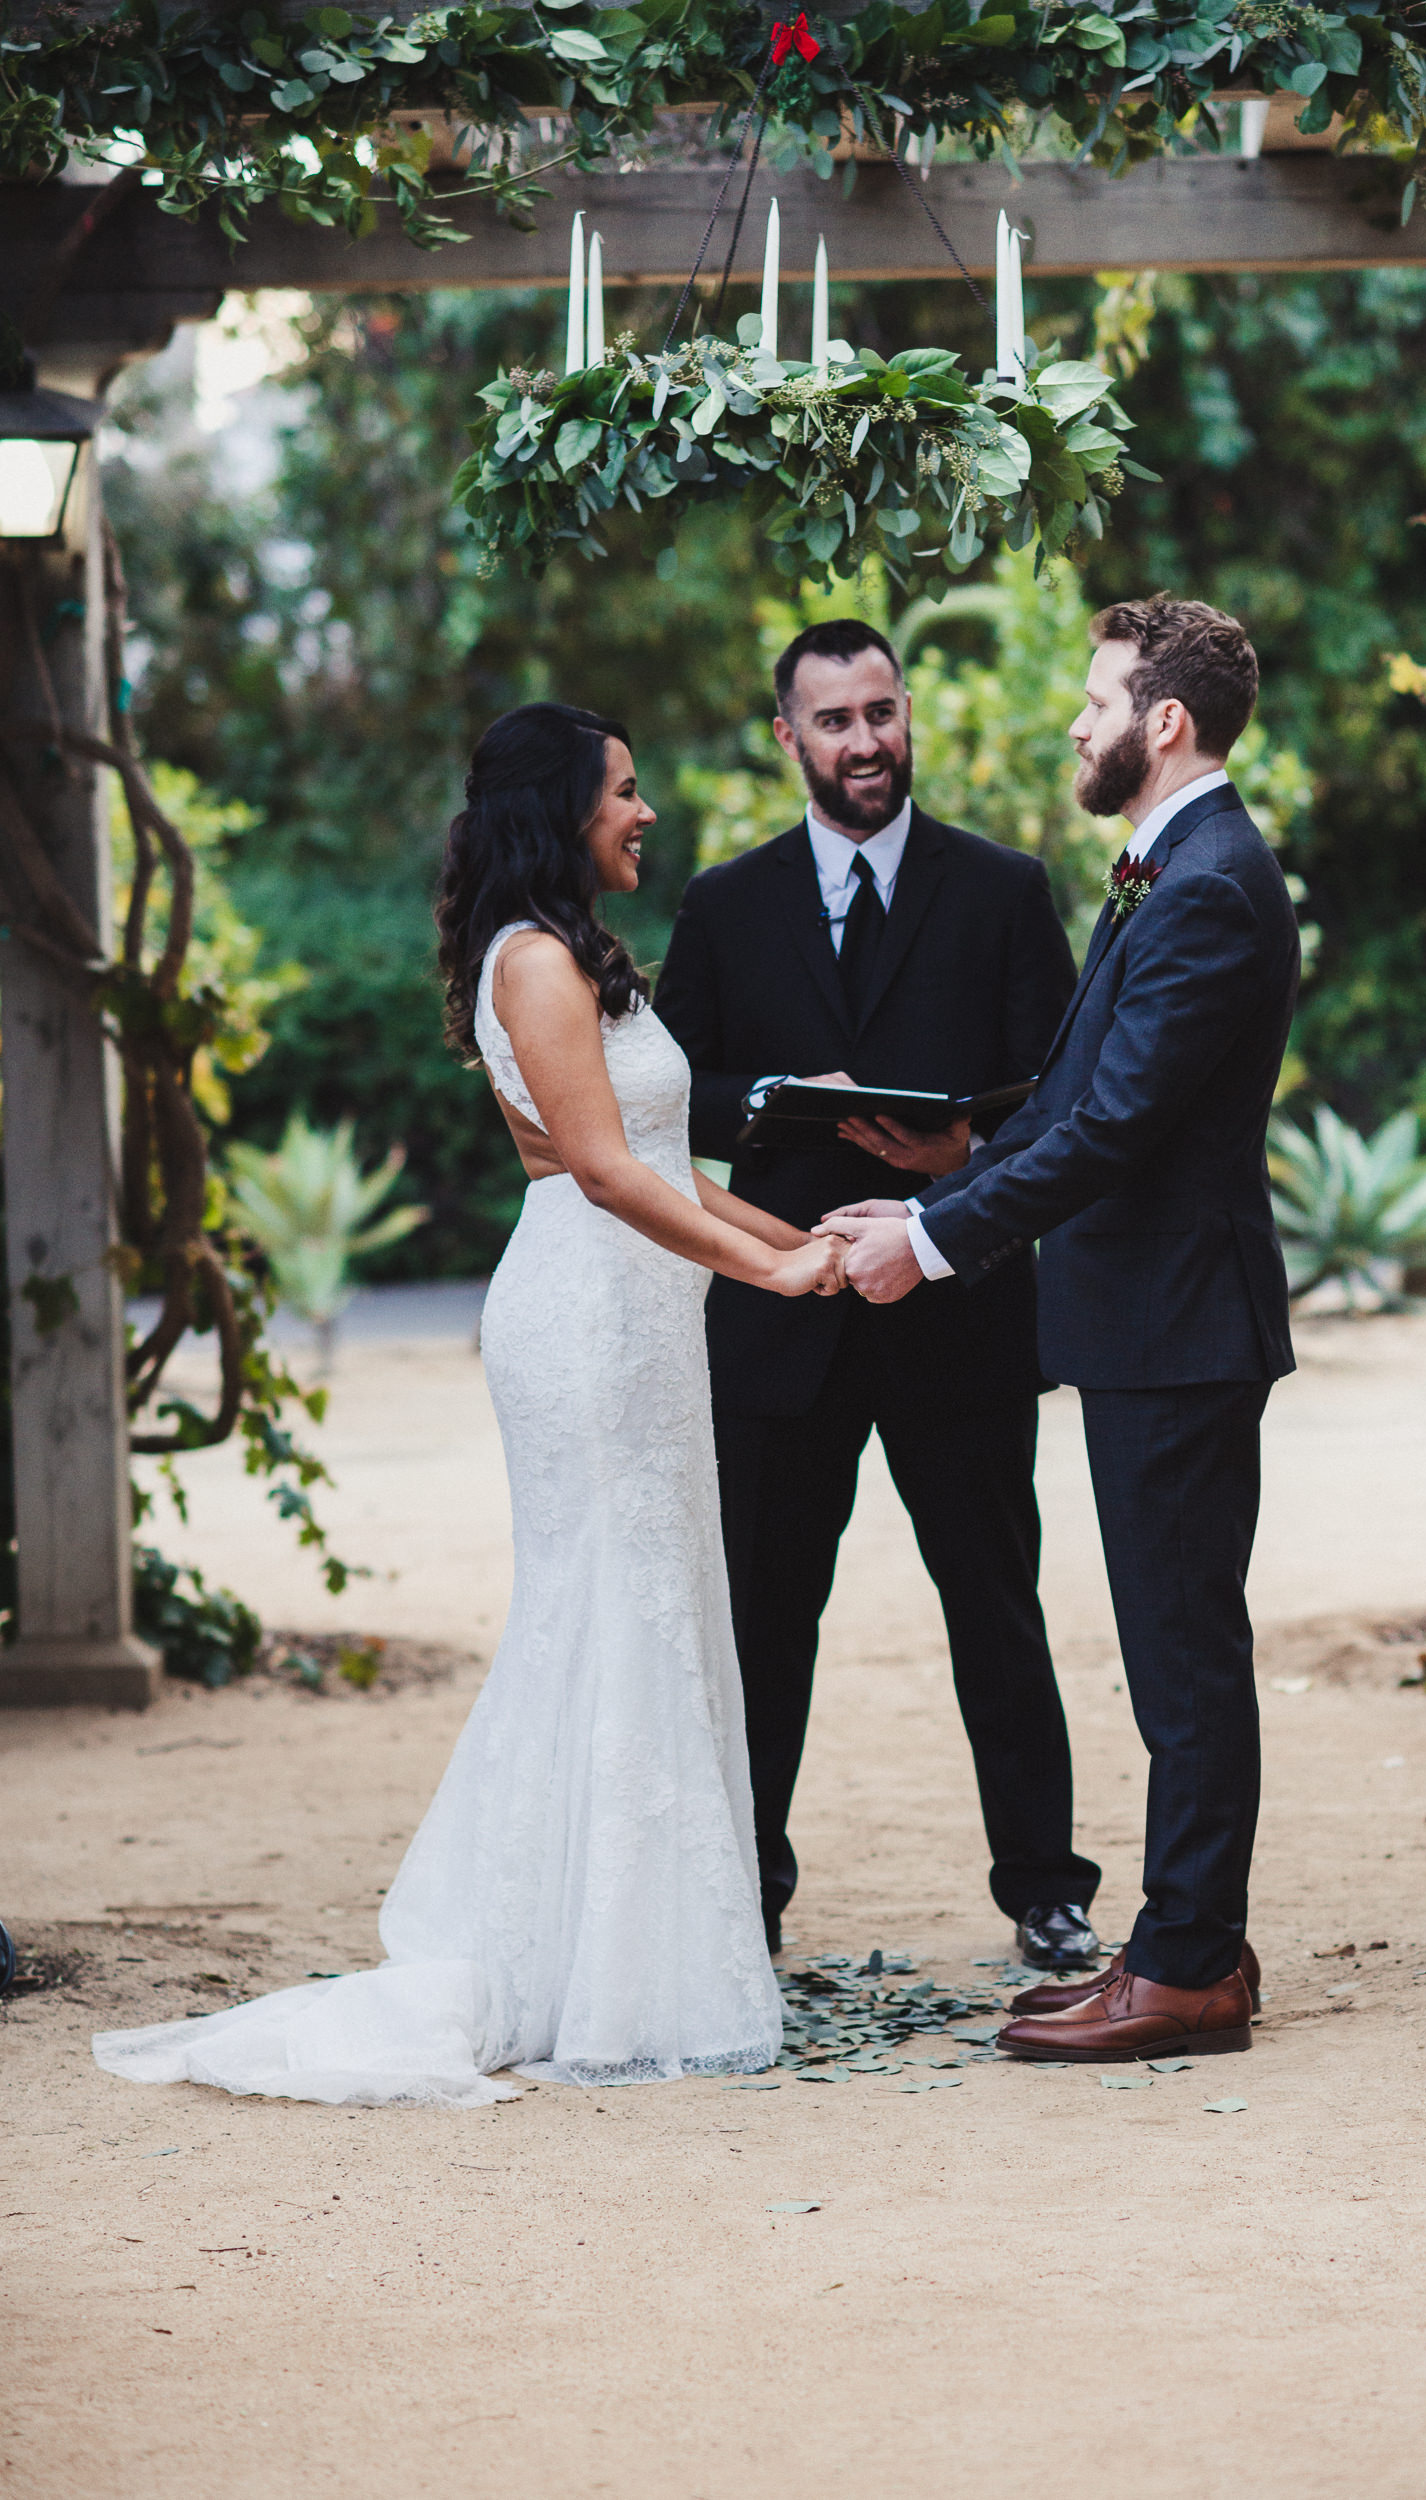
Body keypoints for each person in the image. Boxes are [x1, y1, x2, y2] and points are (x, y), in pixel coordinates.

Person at [93, 702, 844, 2108]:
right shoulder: (537, 964)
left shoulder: (575, 957)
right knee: (612, 1610)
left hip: (641, 1315)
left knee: (657, 1602)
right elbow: (608, 1177)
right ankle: (599, 1973)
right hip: (586, 1320)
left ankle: (626, 1954)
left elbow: (663, 1163)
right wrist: (773, 1275)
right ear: (562, 812)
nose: (646, 813)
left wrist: (794, 1245)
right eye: (625, 792)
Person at [819, 597, 1299, 2064]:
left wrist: (937, 1239)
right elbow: (1087, 1092)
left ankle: (1193, 1970)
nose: (1078, 724)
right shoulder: (1176, 866)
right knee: (1171, 1646)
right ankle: (1176, 1944)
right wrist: (964, 1147)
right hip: (1154, 1323)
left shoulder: (1209, 882)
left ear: (1166, 722)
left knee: (1183, 1654)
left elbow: (1128, 1127)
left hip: (1181, 1325)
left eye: (1099, 701)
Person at [655, 618, 1103, 1970]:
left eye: (883, 712)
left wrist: (966, 1153)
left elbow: (1070, 1092)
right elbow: (669, 1090)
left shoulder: (1002, 888)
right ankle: (748, 1884)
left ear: (910, 716)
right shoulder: (724, 905)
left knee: (995, 1604)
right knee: (763, 1616)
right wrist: (785, 1104)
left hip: (958, 1312)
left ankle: (1046, 1887)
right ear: (787, 739)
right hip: (778, 1318)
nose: (866, 742)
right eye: (836, 721)